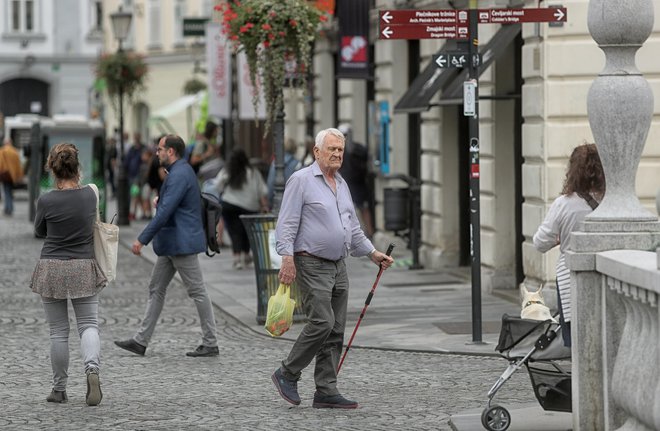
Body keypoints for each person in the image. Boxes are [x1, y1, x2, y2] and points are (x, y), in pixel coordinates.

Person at [271, 127, 394, 409]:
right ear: (317, 152)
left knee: (336, 329)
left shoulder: (342, 184)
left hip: (339, 265)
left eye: (340, 150)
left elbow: (352, 227)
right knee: (322, 322)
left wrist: (373, 253)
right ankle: (287, 372)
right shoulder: (301, 180)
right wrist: (286, 258)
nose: (337, 154)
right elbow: (286, 224)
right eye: (331, 149)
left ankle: (326, 389)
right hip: (311, 262)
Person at [114, 135, 219, 358]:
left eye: (160, 149)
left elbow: (166, 212)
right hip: (173, 243)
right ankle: (140, 341)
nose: (157, 153)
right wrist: (160, 201)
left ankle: (211, 342)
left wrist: (142, 239)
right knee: (156, 288)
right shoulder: (180, 172)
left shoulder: (180, 174)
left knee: (197, 291)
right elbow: (172, 204)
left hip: (181, 243)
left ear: (171, 151)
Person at [29, 142, 107, 405]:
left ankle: (59, 389)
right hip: (83, 265)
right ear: (77, 167)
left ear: (52, 168)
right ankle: (92, 370)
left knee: (58, 332)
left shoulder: (47, 199)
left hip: (52, 266)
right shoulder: (90, 195)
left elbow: (39, 231)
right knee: (88, 325)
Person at [533, 143, 605, 347]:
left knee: (576, 339)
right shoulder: (611, 201)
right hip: (604, 277)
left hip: (570, 279)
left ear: (573, 170)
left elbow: (539, 242)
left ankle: (580, 378)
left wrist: (558, 239)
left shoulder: (564, 204)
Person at [214, 148, 268, 269]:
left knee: (234, 231)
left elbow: (218, 185)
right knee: (246, 231)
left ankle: (237, 258)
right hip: (249, 207)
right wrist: (264, 206)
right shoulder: (253, 172)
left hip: (229, 204)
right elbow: (262, 191)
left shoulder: (228, 170)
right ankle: (245, 255)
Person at [337, 124, 374, 238]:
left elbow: (365, 162)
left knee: (363, 209)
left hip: (358, 184)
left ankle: (370, 233)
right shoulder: (338, 150)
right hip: (345, 183)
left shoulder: (358, 149)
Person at [266, 137, 301, 208]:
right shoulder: (298, 164)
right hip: (293, 203)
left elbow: (271, 184)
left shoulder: (275, 163)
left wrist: (269, 202)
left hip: (278, 203)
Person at [0, 137, 24, 216]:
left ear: (5, 143)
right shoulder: (15, 151)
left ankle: (8, 208)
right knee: (10, 191)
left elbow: (1, 164)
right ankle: (10, 207)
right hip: (13, 176)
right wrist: (19, 176)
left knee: (6, 192)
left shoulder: (2, 151)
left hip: (5, 175)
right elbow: (19, 165)